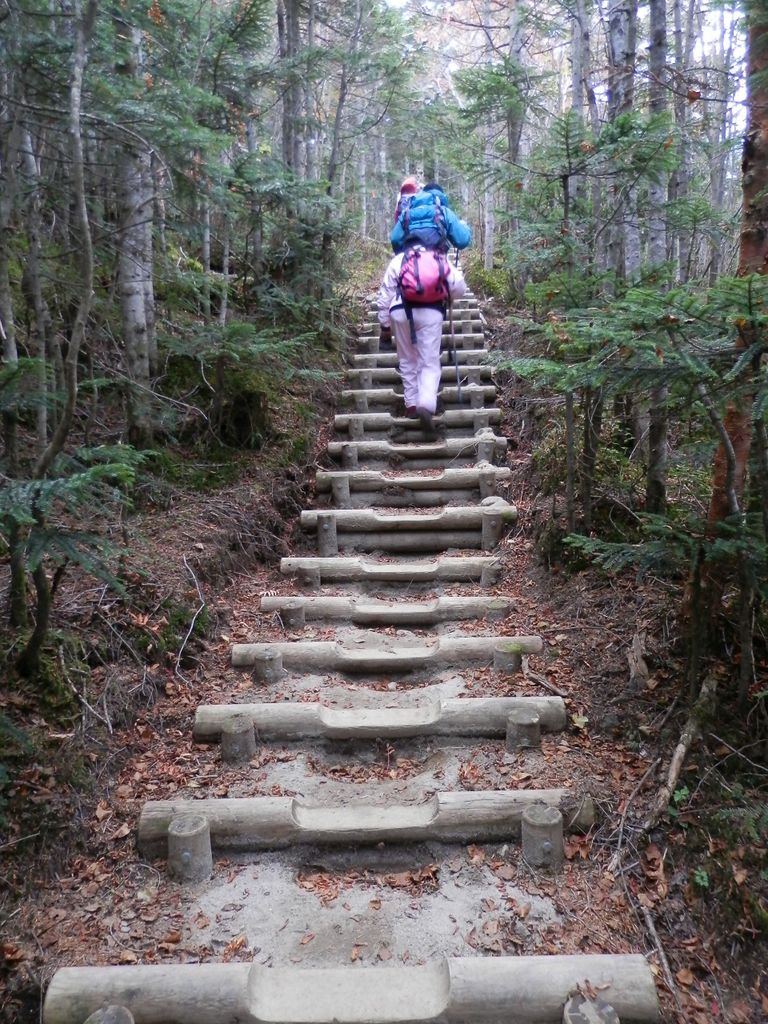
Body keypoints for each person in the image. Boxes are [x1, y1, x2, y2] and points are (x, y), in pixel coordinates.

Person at [377, 247, 468, 441]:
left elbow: (386, 292)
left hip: (400, 310)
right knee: (428, 362)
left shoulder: (401, 259)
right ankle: (426, 404)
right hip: (431, 312)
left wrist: (384, 326)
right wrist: (444, 295)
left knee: (407, 358)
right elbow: (459, 287)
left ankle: (411, 405)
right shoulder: (439, 258)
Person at [390, 181, 472, 254]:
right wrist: (465, 226)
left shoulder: (406, 214)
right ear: (442, 197)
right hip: (438, 266)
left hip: (412, 265)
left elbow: (395, 239)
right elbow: (462, 241)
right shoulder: (444, 212)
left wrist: (404, 253)